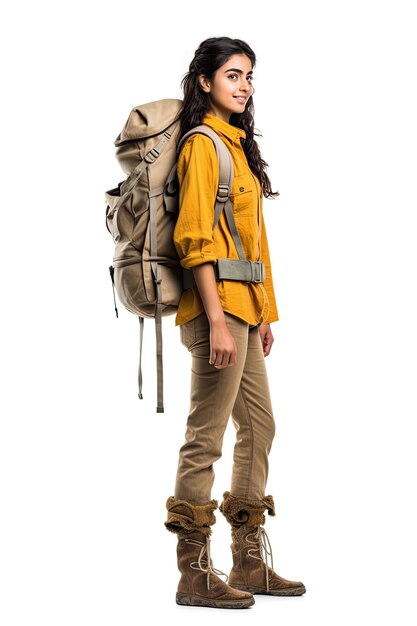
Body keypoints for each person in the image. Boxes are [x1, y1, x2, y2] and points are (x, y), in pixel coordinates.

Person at [164, 36, 306, 609]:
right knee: (206, 439)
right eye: (232, 75)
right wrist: (219, 322)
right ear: (205, 82)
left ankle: (247, 562)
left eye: (248, 76)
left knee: (260, 426)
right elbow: (194, 240)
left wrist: (264, 313)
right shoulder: (203, 145)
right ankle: (193, 573)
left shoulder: (238, 146)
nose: (244, 85)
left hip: (246, 312)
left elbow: (255, 243)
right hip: (217, 313)